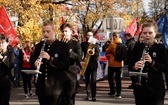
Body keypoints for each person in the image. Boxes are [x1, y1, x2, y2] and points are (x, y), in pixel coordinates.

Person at [129, 19, 168, 105]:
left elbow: (166, 67)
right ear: (141, 34)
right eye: (145, 33)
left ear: (155, 34)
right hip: (140, 90)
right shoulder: (137, 47)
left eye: (150, 33)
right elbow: (130, 64)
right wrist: (134, 66)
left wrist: (152, 62)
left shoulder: (160, 48)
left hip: (156, 90)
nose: (147, 35)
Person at [33, 20, 70, 105]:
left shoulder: (62, 46)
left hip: (55, 88)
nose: (45, 34)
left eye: (48, 31)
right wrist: (35, 64)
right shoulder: (39, 46)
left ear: (54, 31)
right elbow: (33, 62)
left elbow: (65, 65)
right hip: (42, 87)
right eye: (44, 31)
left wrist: (50, 58)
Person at [60, 23, 82, 105]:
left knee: (70, 99)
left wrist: (69, 51)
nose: (64, 33)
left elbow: (79, 57)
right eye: (63, 31)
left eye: (66, 31)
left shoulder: (76, 44)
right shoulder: (59, 43)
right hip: (61, 75)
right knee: (61, 99)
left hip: (71, 74)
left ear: (71, 32)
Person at [81, 31, 100, 101]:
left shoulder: (96, 44)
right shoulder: (83, 44)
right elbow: (80, 53)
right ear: (86, 36)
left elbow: (97, 55)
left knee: (93, 80)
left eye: (91, 35)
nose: (90, 37)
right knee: (87, 80)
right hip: (86, 64)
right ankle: (88, 94)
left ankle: (93, 96)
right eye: (88, 35)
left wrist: (93, 53)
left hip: (93, 64)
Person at [106, 32, 124, 99]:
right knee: (118, 79)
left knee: (110, 77)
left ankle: (112, 91)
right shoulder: (122, 44)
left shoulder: (113, 44)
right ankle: (119, 93)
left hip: (113, 64)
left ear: (114, 37)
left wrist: (108, 45)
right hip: (120, 63)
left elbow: (107, 51)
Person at [0, 34, 15, 105]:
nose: (1, 45)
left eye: (2, 43)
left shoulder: (10, 52)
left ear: (7, 43)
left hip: (6, 80)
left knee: (4, 102)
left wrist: (3, 59)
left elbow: (11, 65)